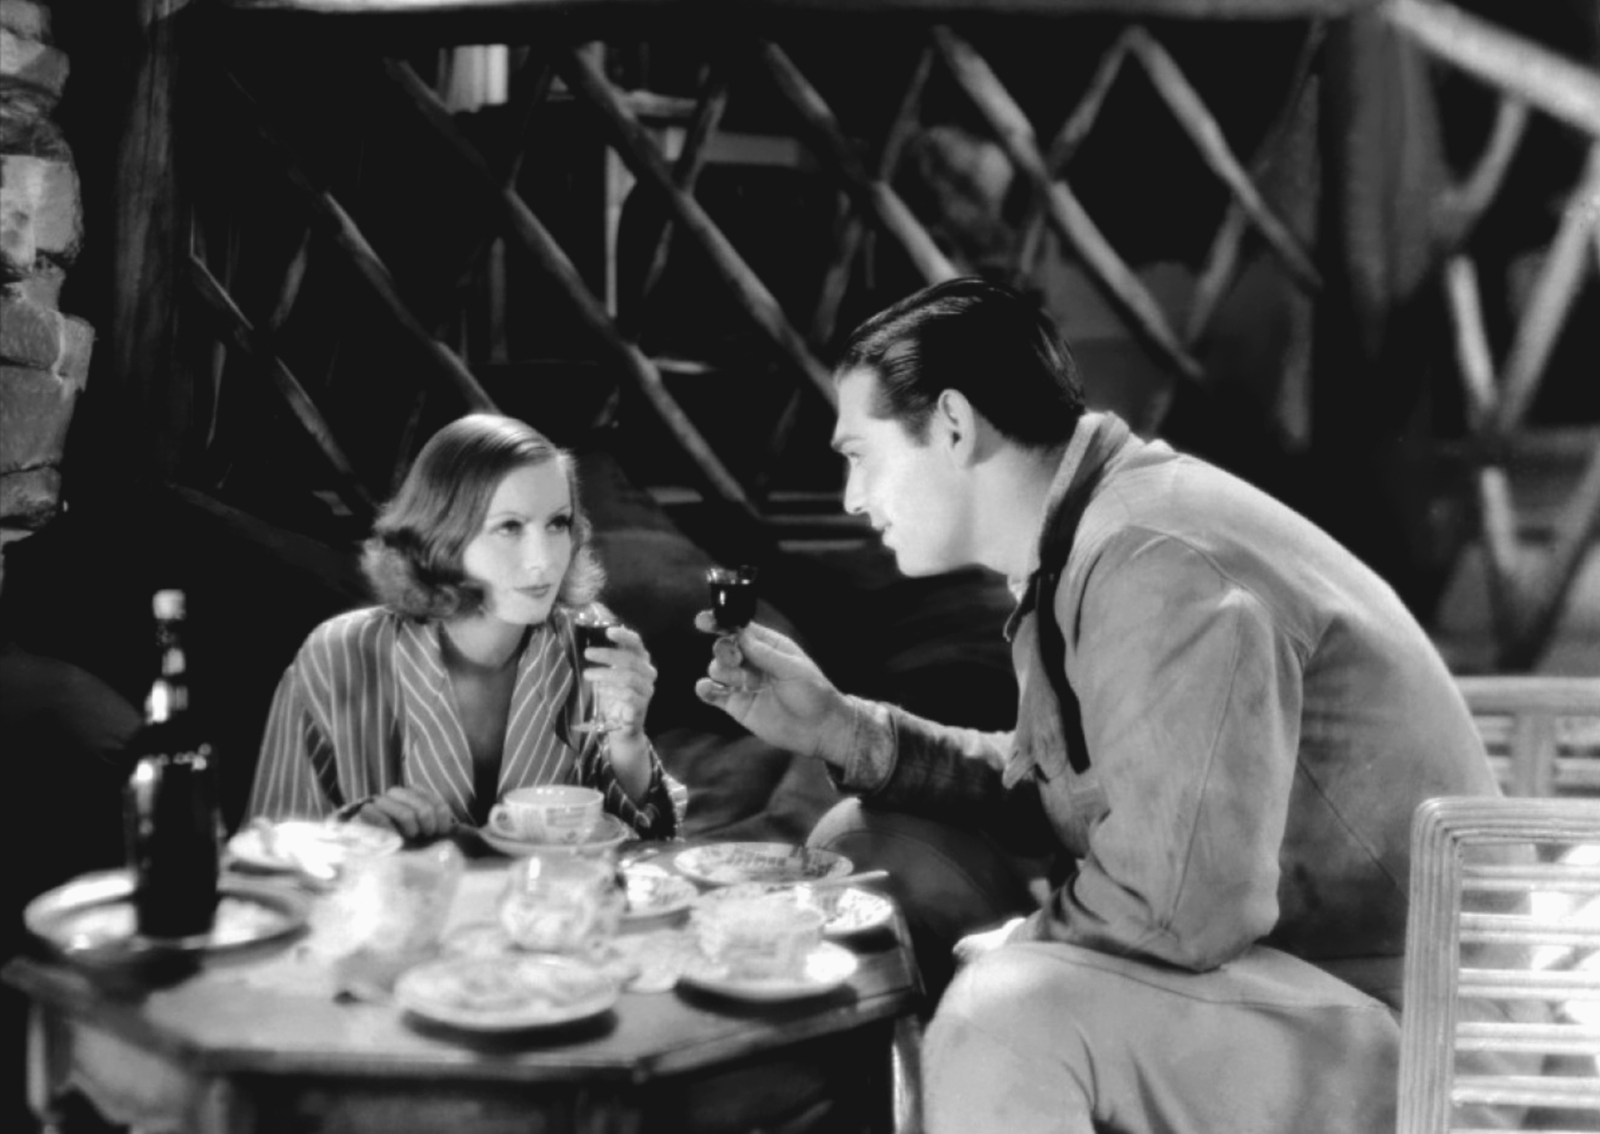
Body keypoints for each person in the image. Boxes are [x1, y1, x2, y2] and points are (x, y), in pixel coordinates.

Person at [695, 278, 1502, 1133]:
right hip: (1290, 985)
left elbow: (1180, 908)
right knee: (870, 845)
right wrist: (842, 728)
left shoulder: (1159, 561)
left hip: (1421, 1031)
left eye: (861, 454)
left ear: (955, 425)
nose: (852, 497)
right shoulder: (1093, 537)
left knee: (1004, 1020)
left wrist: (1023, 946)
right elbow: (1077, 793)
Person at [248, 413, 685, 840]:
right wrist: (354, 835)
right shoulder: (337, 655)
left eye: (557, 523)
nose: (543, 559)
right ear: (442, 538)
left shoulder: (588, 641)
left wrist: (628, 741)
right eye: (509, 527)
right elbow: (265, 854)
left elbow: (640, 843)